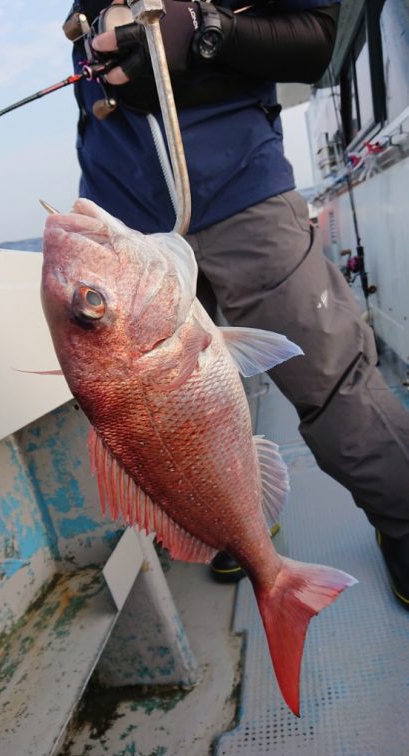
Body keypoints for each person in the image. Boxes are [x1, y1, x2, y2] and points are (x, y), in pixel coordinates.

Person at [65, 0, 409, 607]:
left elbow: (312, 34)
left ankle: (405, 519)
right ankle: (231, 523)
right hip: (122, 216)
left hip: (243, 187)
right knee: (170, 409)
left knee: (329, 376)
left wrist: (205, 31)